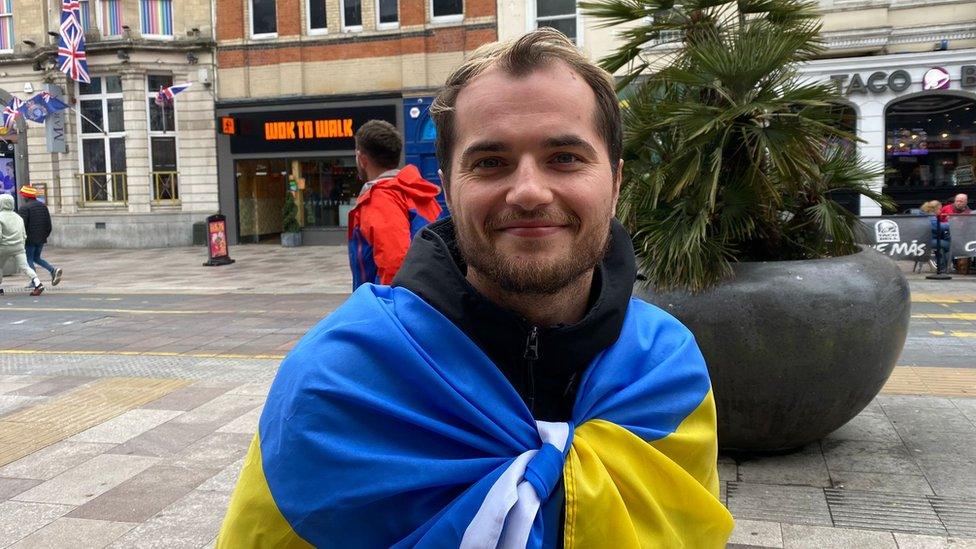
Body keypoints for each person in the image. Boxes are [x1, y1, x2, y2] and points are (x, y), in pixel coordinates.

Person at [219, 28, 733, 547]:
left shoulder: (669, 372)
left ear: (616, 181)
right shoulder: (335, 381)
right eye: (490, 162)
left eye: (565, 158)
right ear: (446, 184)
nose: (529, 192)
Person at [347, 119, 442, 289]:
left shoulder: (381, 198)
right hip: (430, 294)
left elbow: (394, 264)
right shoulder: (416, 192)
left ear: (362, 159)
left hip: (389, 305)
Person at [17, 185, 62, 287]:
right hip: (41, 238)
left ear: (26, 197)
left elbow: (21, 226)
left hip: (29, 240)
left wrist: (21, 239)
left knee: (28, 259)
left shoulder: (24, 208)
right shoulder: (43, 206)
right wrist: (44, 236)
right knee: (36, 257)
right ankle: (53, 270)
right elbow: (48, 224)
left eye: (23, 196)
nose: (22, 198)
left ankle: (34, 281)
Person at [0, 193, 44, 296]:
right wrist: (21, 244)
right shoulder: (18, 217)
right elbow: (24, 234)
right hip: (18, 247)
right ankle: (38, 283)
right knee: (25, 267)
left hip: (3, 247)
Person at [920, 200, 950, 273]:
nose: (940, 211)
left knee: (942, 246)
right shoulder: (930, 216)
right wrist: (950, 223)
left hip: (923, 239)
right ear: (935, 209)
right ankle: (943, 267)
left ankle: (942, 266)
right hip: (929, 240)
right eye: (940, 209)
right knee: (950, 245)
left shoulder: (924, 214)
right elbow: (937, 227)